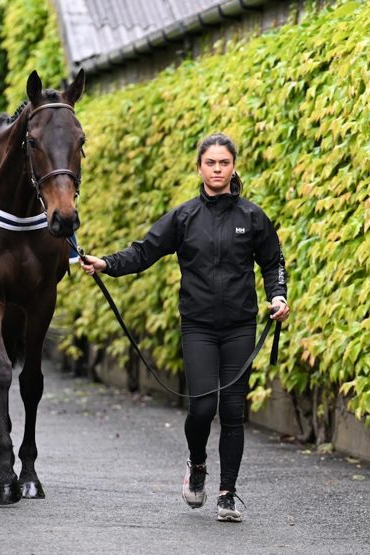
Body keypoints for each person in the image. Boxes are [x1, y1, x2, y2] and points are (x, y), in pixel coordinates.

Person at [80, 132, 289, 522]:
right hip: (199, 326)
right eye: (210, 163)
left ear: (233, 167)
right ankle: (196, 464)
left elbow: (273, 262)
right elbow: (144, 251)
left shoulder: (252, 217)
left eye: (224, 163)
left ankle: (227, 493)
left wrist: (278, 297)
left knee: (232, 409)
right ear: (199, 167)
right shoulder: (184, 217)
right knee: (202, 407)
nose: (217, 169)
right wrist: (106, 263)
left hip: (240, 325)